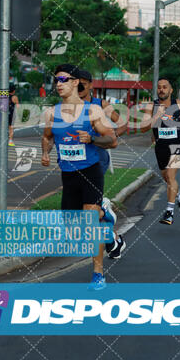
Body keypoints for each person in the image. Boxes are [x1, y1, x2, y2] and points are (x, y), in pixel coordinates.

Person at [41, 64, 118, 290]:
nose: (59, 84)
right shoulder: (51, 113)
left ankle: (98, 275)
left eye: (64, 79)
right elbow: (47, 137)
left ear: (76, 83)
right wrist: (45, 152)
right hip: (68, 175)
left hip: (90, 171)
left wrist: (92, 139)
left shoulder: (92, 111)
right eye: (56, 80)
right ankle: (106, 212)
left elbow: (112, 140)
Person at [78, 69, 127, 259]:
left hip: (97, 159)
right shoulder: (69, 105)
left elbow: (121, 123)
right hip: (76, 163)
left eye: (84, 82)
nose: (80, 86)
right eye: (77, 82)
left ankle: (104, 209)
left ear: (90, 85)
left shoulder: (101, 104)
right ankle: (113, 241)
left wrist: (109, 137)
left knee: (89, 209)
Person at [140, 77, 180, 225]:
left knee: (170, 176)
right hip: (161, 148)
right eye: (159, 87)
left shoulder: (179, 104)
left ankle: (169, 212)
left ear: (171, 90)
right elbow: (143, 127)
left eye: (165, 87)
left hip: (178, 145)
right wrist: (156, 117)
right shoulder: (152, 106)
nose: (161, 90)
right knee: (168, 179)